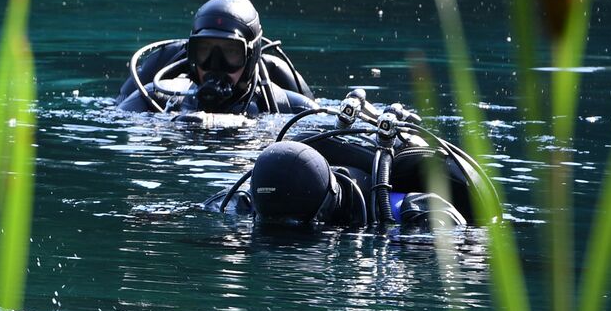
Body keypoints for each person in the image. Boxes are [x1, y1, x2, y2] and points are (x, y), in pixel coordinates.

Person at [207, 93, 500, 228]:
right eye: (274, 223)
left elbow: (465, 239)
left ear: (325, 205)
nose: (285, 233)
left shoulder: (404, 210)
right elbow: (208, 206)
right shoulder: (257, 200)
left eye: (297, 224)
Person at [115, 0, 319, 116]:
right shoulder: (158, 99)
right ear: (191, 54)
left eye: (231, 52)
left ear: (250, 56)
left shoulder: (286, 108)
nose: (215, 65)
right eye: (204, 51)